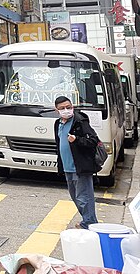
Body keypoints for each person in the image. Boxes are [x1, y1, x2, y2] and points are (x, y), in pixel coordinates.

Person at [54, 95, 99, 229]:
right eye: (62, 108)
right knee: (76, 197)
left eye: (68, 107)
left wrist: (77, 140)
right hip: (67, 166)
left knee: (84, 197)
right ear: (56, 110)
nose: (66, 110)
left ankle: (89, 223)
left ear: (72, 107)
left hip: (80, 166)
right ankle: (88, 221)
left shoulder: (80, 121)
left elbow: (93, 140)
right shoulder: (58, 124)